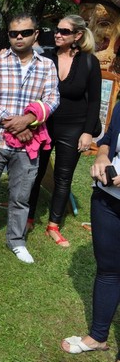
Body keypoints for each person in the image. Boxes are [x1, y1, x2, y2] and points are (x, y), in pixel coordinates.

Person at [0, 13, 60, 264]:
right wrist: (15, 124)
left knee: (21, 197)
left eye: (25, 32)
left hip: (28, 143)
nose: (19, 37)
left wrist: (29, 120)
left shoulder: (47, 65)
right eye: (14, 34)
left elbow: (52, 99)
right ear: (9, 35)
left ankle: (16, 240)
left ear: (36, 34)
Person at [28, 15, 101, 247]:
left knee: (63, 176)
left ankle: (53, 225)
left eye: (64, 31)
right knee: (35, 172)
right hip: (45, 125)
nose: (57, 34)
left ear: (78, 35)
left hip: (74, 128)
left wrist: (87, 133)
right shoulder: (45, 57)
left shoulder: (89, 62)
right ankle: (28, 217)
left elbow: (94, 102)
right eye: (56, 30)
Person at [60, 101, 120, 357]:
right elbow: (107, 139)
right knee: (108, 270)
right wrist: (102, 156)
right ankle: (98, 336)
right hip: (107, 199)